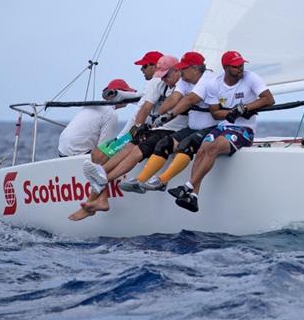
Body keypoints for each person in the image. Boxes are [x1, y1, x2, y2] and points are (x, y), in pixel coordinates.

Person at [68, 54, 180, 221]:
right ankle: (101, 198)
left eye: (144, 66)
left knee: (99, 155)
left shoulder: (160, 83)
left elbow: (136, 98)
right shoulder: (157, 84)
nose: (142, 70)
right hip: (137, 132)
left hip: (144, 133)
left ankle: (95, 200)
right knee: (97, 154)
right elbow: (136, 99)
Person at [170, 50, 274, 213]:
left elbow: (269, 99)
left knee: (213, 147)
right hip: (222, 127)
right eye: (236, 66)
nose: (240, 69)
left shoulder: (251, 77)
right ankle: (194, 197)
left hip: (244, 130)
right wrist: (232, 113)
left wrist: (245, 108)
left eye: (241, 65)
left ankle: (187, 187)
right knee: (203, 148)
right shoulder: (215, 84)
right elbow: (215, 113)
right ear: (226, 68)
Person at [118, 51, 218, 193]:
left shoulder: (208, 80)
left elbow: (189, 100)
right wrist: (157, 116)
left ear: (195, 69)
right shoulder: (185, 80)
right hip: (193, 127)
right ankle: (140, 181)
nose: (180, 71)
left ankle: (162, 180)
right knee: (164, 143)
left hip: (212, 127)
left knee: (185, 145)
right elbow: (174, 98)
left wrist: (169, 115)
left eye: (184, 68)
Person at [57, 79, 136, 161]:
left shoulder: (93, 104)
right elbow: (102, 149)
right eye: (126, 93)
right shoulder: (111, 114)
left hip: (62, 151)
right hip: (77, 154)